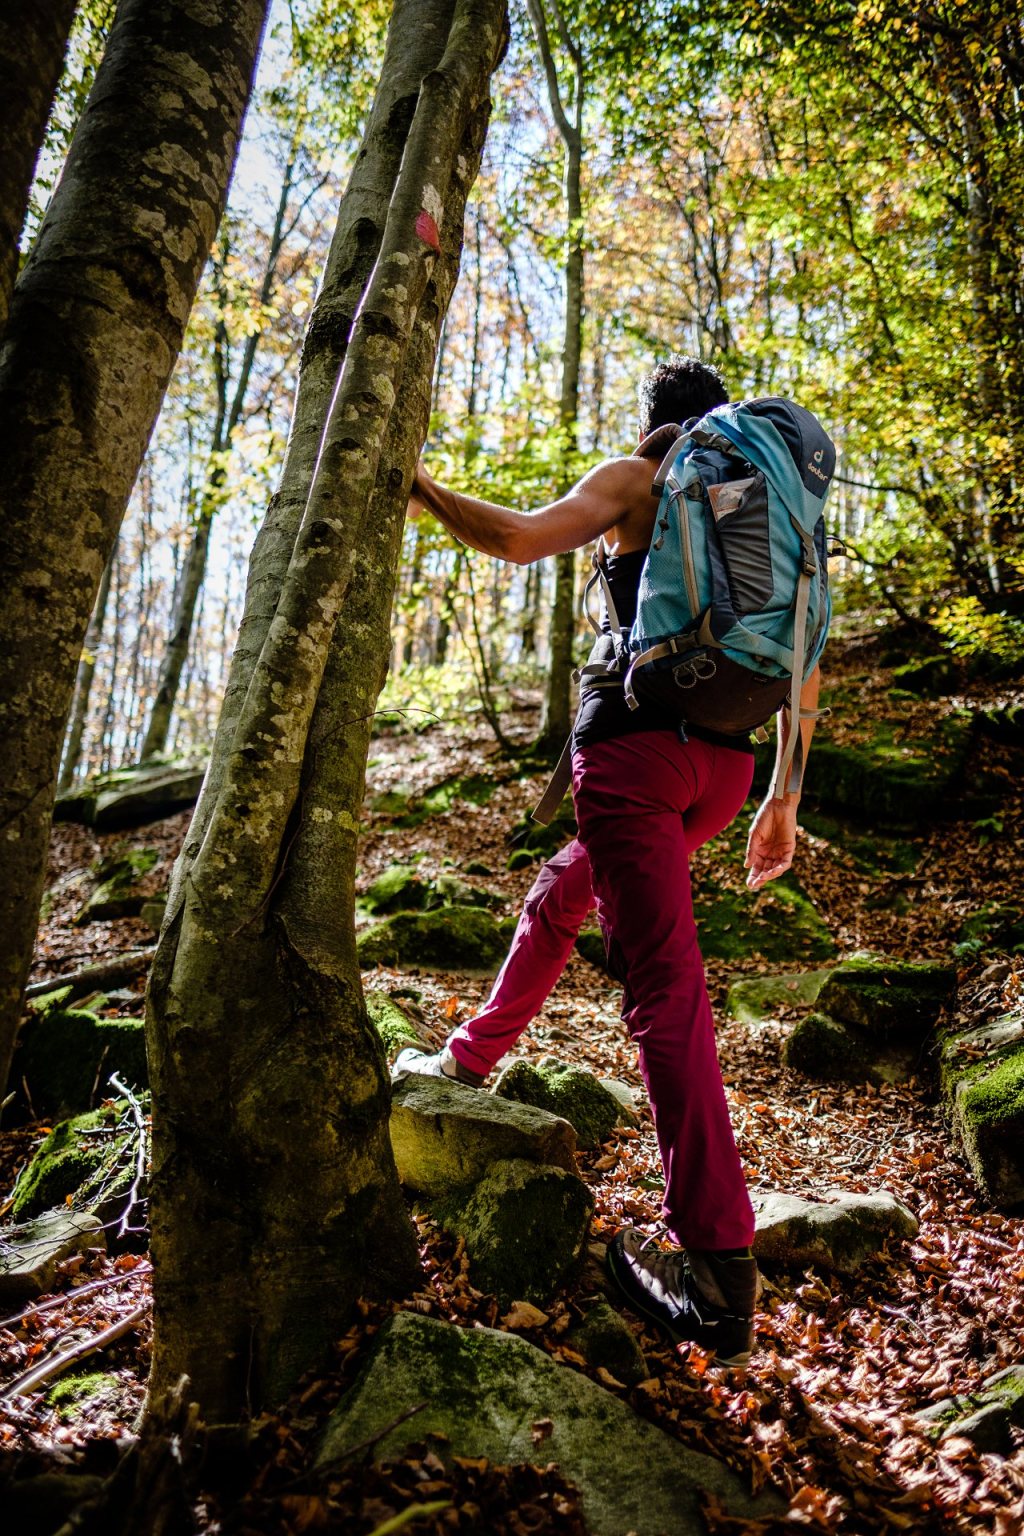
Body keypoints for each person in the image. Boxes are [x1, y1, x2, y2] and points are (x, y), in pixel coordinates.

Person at [395, 357, 822, 1367]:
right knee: (563, 887)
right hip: (721, 766)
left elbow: (511, 538)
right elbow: (804, 655)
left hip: (632, 758)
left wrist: (416, 485)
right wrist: (782, 799)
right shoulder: (756, 506)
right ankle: (471, 1053)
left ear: (652, 423)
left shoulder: (641, 481)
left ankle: (717, 1266)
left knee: (666, 990)